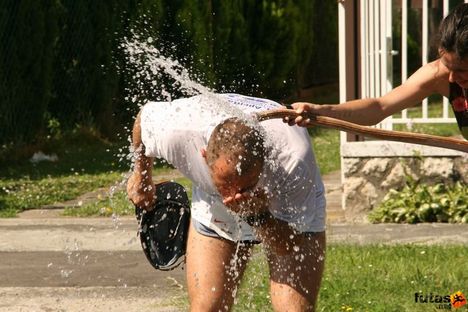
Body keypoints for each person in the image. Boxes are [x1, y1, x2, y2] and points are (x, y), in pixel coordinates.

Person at [127, 93, 326, 311]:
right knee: (208, 307)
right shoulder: (179, 131)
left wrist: (257, 214)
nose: (232, 198)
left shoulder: (293, 163)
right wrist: (141, 175)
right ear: (204, 156)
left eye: (245, 187)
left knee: (294, 309)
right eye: (224, 186)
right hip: (213, 204)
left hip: (283, 209)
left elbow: (287, 245)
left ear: (264, 161)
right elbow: (143, 118)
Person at [286, 3, 468, 141]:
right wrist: (320, 111)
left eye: (461, 70)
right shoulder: (439, 75)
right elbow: (379, 107)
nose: (451, 77)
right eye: (448, 66)